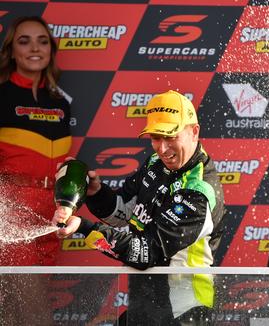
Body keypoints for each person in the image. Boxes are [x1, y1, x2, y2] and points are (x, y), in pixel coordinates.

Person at [54, 90, 226, 325]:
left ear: (194, 131)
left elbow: (146, 252)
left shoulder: (199, 190)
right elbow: (124, 209)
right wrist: (96, 192)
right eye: (156, 138)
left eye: (171, 137)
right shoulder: (157, 163)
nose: (162, 149)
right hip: (145, 304)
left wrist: (84, 227)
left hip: (184, 312)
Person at [0, 15, 71, 325]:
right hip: (12, 212)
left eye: (42, 41)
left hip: (51, 212)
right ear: (10, 51)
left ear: (51, 50)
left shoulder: (60, 102)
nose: (34, 48)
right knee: (36, 314)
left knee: (12, 313)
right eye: (24, 40)